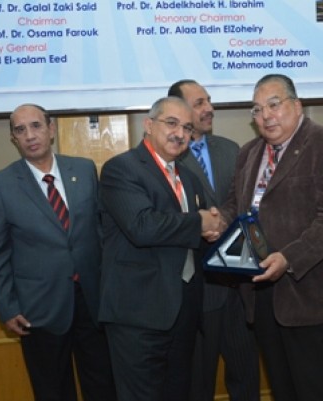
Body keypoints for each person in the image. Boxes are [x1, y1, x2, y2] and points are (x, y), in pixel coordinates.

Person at [220, 74, 323, 401]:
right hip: (262, 295)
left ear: (297, 106)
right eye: (257, 110)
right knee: (283, 390)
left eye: (273, 104)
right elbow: (235, 206)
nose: (265, 116)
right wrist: (216, 220)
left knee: (319, 391)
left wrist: (289, 258)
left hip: (311, 295)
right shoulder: (249, 153)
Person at [0, 104, 116, 401]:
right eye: (20, 130)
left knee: (103, 386)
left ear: (51, 129)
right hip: (39, 308)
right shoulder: (0, 185)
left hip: (92, 301)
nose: (30, 135)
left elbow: (100, 232)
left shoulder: (83, 169)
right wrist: (7, 307)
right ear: (13, 139)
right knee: (52, 391)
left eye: (36, 126)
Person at [98, 96, 222, 401]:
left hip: (183, 312)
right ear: (149, 125)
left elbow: (193, 234)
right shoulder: (121, 169)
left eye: (188, 128)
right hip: (138, 316)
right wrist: (199, 222)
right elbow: (142, 226)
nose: (180, 133)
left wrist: (214, 231)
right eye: (172, 123)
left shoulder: (189, 178)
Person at [168, 80, 261, 401]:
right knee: (199, 383)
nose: (209, 108)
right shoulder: (170, 157)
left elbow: (244, 204)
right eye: (199, 103)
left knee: (246, 376)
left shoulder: (231, 149)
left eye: (208, 100)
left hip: (239, 285)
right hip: (198, 289)